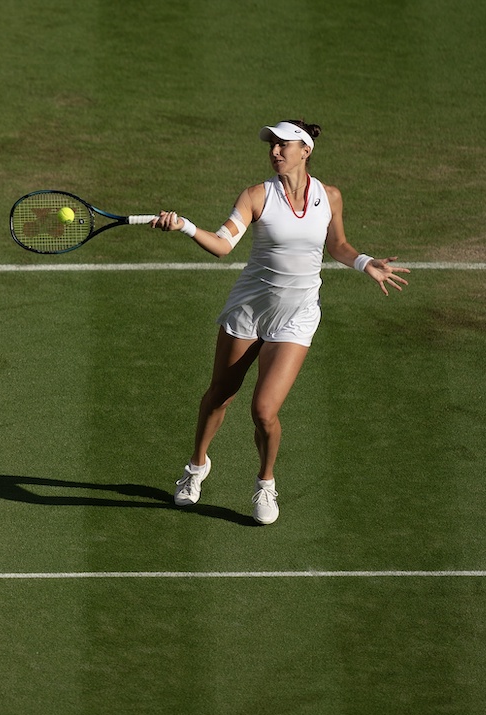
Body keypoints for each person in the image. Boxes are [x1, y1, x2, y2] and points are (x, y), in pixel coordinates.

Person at [151, 119, 409, 525]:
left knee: (264, 411)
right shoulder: (256, 196)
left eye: (282, 145)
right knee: (220, 394)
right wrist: (184, 225)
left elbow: (337, 244)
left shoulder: (331, 197)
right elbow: (223, 244)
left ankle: (265, 482)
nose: (273, 151)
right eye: (271, 145)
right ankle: (196, 467)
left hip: (297, 316)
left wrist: (365, 263)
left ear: (305, 151)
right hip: (249, 311)